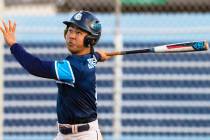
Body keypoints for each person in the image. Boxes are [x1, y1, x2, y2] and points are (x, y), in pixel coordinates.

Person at [0, 11, 111, 140]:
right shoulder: (89, 59)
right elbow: (92, 58)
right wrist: (97, 56)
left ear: (90, 40)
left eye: (79, 33)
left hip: (84, 136)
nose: (71, 36)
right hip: (64, 135)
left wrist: (13, 45)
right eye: (70, 30)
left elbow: (35, 66)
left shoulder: (74, 67)